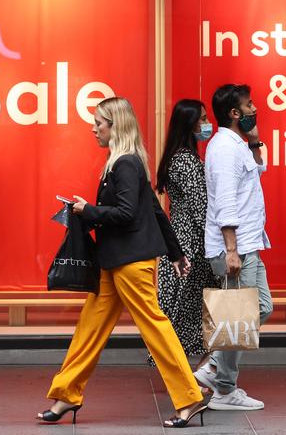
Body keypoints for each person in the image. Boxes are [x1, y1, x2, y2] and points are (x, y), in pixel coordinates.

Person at [37, 97, 207, 428]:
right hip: (115, 262)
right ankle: (66, 395)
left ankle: (189, 397)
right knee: (90, 328)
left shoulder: (125, 164)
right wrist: (175, 253)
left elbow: (128, 213)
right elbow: (154, 211)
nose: (93, 128)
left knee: (154, 327)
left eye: (98, 122)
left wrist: (88, 211)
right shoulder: (124, 162)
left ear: (115, 126)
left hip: (130, 263)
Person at [193, 84, 273, 411]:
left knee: (258, 308)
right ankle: (223, 386)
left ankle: (215, 368)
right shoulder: (224, 149)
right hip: (236, 247)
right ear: (235, 113)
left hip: (250, 243)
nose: (255, 108)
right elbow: (225, 200)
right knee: (242, 314)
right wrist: (231, 249)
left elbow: (259, 168)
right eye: (249, 105)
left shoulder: (236, 144)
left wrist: (254, 139)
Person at [153, 99, 219, 369]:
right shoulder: (186, 161)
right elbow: (201, 208)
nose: (207, 124)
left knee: (183, 309)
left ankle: (195, 372)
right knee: (193, 310)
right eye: (202, 119)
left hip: (181, 240)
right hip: (191, 243)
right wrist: (220, 245)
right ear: (189, 124)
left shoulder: (177, 157)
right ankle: (199, 374)